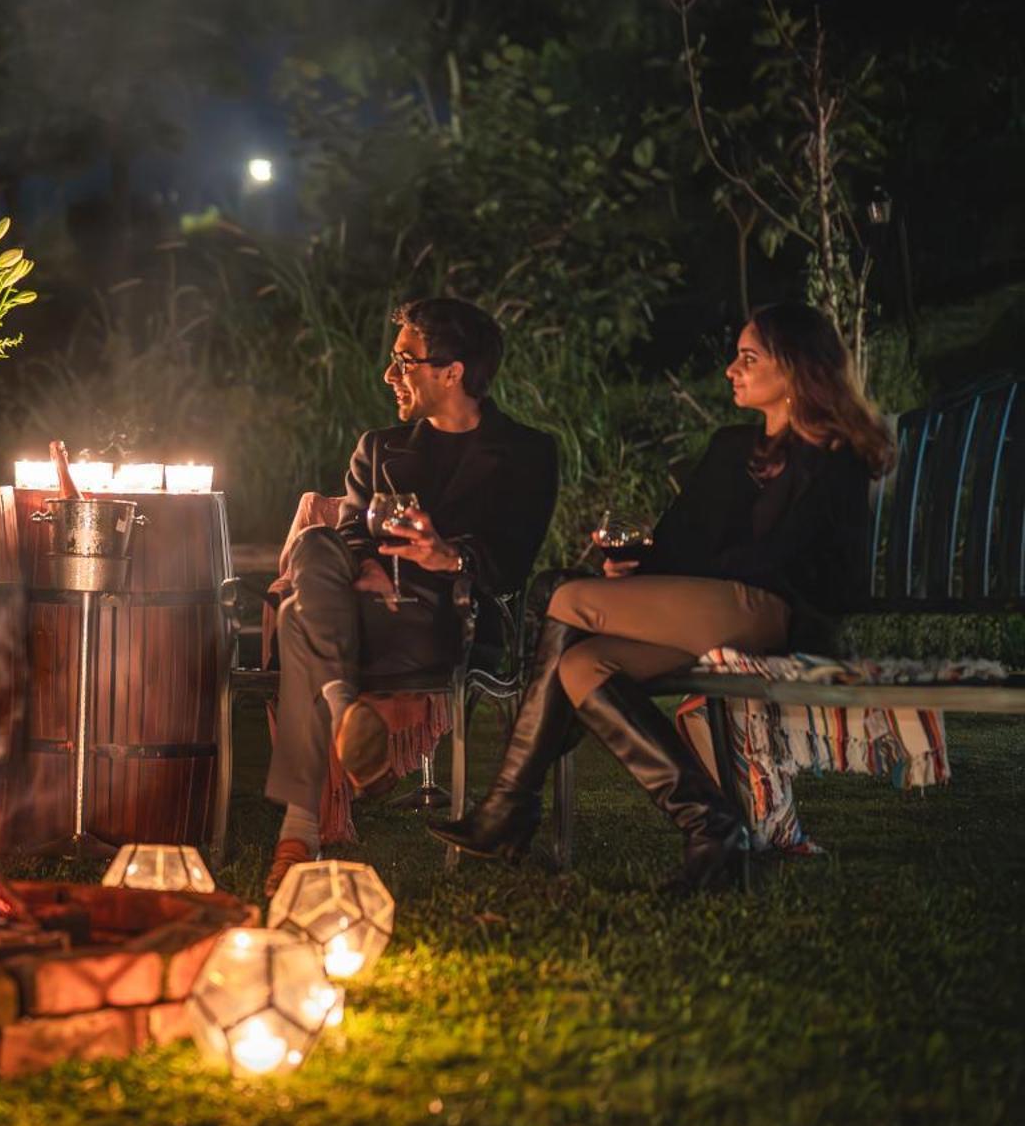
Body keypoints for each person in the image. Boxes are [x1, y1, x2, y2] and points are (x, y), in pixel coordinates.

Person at [429, 301, 894, 893]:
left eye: (749, 359)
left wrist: (678, 579)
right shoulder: (733, 447)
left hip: (776, 616)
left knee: (560, 592)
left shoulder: (834, 457)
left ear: (798, 371)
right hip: (708, 611)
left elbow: (789, 562)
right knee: (580, 664)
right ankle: (710, 826)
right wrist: (638, 567)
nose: (731, 369)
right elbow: (681, 542)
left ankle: (510, 803)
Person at [265, 298, 559, 896]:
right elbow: (347, 531)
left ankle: (300, 831)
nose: (388, 375)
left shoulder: (528, 453)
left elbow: (512, 559)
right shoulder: (379, 446)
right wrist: (367, 563)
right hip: (358, 611)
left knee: (297, 617)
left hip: (450, 619)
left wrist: (447, 556)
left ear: (452, 372)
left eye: (404, 361)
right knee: (317, 540)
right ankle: (345, 722)